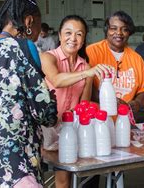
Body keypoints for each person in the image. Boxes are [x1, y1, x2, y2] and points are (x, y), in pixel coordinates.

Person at [0, 0, 58, 187]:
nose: (36, 34)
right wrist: (50, 101)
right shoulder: (24, 48)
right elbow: (44, 113)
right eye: (37, 24)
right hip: (16, 166)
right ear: (28, 22)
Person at [41, 15, 110, 188]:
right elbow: (56, 80)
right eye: (68, 33)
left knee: (69, 177)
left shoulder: (85, 66)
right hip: (45, 129)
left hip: (69, 128)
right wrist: (88, 73)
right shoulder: (48, 58)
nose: (73, 38)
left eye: (79, 34)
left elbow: (83, 105)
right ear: (60, 34)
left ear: (84, 38)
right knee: (53, 178)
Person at [86, 10, 144, 114]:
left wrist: (137, 103)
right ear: (106, 30)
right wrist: (109, 101)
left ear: (129, 33)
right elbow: (85, 85)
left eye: (124, 29)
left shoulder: (137, 59)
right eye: (113, 28)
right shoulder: (92, 52)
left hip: (124, 118)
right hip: (98, 118)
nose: (119, 33)